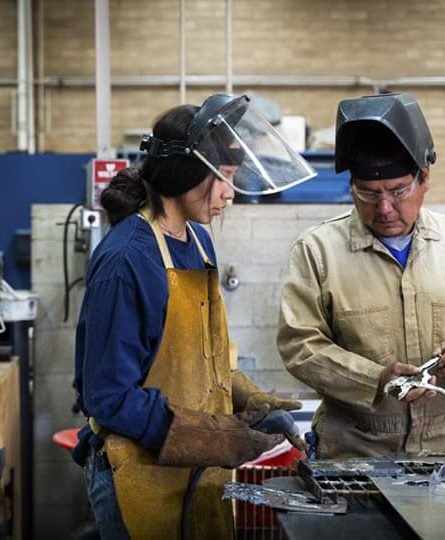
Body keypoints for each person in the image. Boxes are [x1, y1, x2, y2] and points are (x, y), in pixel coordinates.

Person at [72, 94, 316, 539]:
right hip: (139, 474)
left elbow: (201, 358)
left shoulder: (198, 242)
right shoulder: (128, 259)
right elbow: (107, 396)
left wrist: (245, 397)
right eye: (221, 177)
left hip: (197, 475)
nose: (230, 192)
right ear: (185, 172)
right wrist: (218, 436)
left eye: (233, 177)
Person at [277, 92, 445, 459]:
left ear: (425, 179)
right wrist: (374, 378)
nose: (384, 207)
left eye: (397, 191)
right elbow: (300, 345)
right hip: (356, 454)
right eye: (367, 193)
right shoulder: (318, 251)